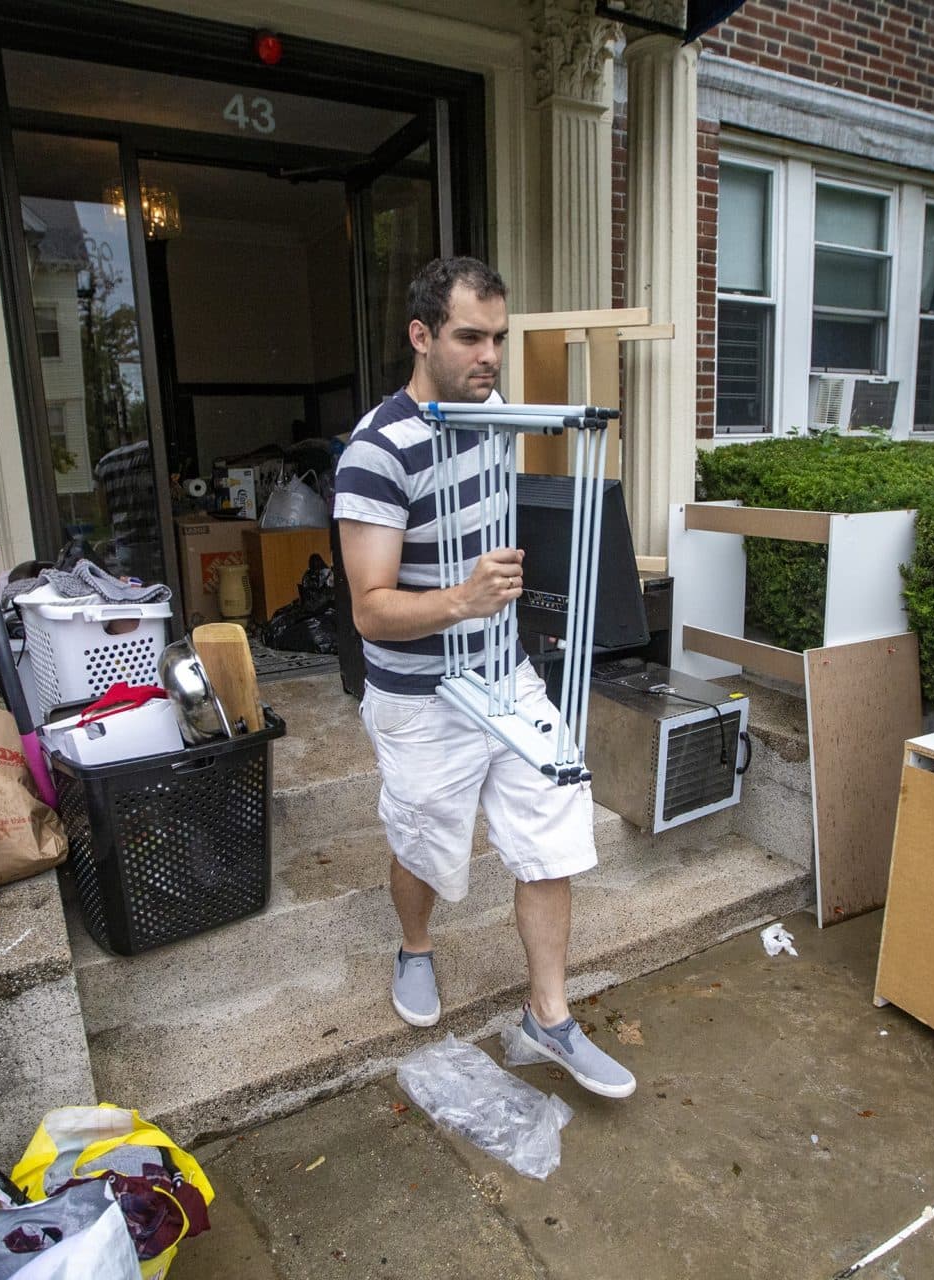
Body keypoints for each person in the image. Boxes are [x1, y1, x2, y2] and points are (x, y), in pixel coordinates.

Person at [332, 256, 635, 1099]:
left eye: (499, 337)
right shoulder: (375, 454)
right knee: (425, 844)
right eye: (470, 337)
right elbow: (369, 608)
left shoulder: (496, 413)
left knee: (551, 834)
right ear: (421, 337)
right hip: (419, 697)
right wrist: (462, 599)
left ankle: (549, 1016)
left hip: (504, 674)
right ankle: (417, 947)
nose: (490, 356)